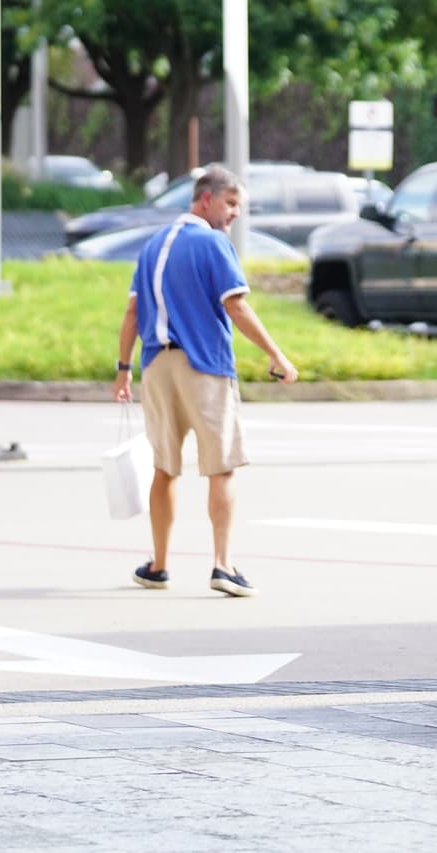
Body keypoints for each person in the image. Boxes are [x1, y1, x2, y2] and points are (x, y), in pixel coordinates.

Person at [111, 165, 299, 598]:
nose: (234, 214)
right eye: (231, 204)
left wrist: (124, 370)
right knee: (221, 467)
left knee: (165, 468)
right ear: (206, 199)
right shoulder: (213, 243)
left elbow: (131, 313)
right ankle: (222, 565)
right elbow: (235, 307)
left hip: (157, 366)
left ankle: (158, 565)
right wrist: (276, 355)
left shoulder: (153, 244)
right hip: (205, 367)